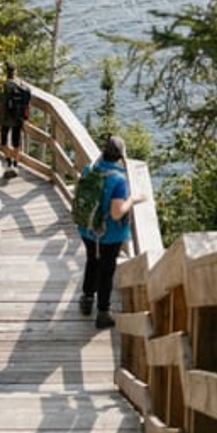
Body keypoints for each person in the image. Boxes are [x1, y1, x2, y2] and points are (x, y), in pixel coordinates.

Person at [77, 134, 145, 328]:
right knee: (106, 270)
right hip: (108, 234)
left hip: (87, 228)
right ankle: (103, 312)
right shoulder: (118, 180)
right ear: (121, 155)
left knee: (92, 260)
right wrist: (132, 199)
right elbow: (117, 213)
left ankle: (87, 299)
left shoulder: (90, 170)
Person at [0, 61, 30, 175]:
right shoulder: (21, 84)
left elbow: (1, 105)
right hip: (17, 118)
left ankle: (8, 161)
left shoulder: (3, 86)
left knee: (4, 141)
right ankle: (16, 164)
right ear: (15, 72)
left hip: (6, 118)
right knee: (16, 142)